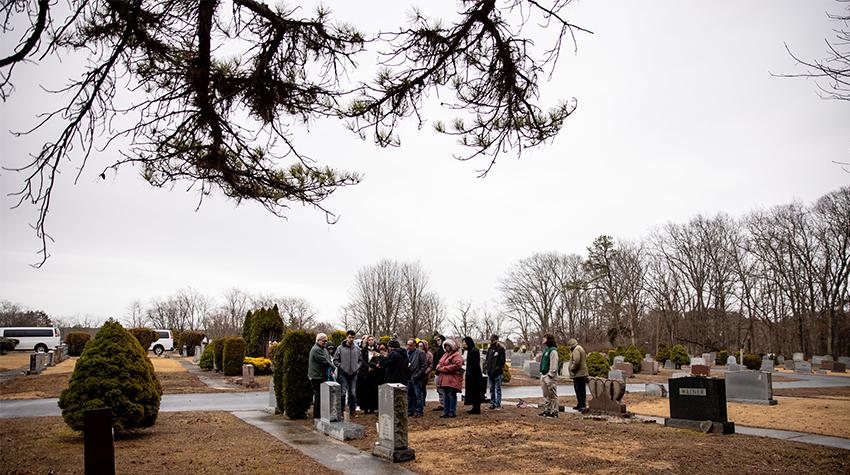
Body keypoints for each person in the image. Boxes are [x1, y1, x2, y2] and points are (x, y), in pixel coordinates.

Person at [333, 330, 361, 417]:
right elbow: (335, 360)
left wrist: (357, 367)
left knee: (352, 393)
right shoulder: (340, 348)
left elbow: (360, 360)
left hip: (354, 373)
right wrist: (341, 366)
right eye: (350, 337)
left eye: (353, 337)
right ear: (346, 337)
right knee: (343, 393)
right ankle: (341, 411)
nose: (351, 339)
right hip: (343, 374)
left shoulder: (356, 349)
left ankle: (353, 411)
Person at [307, 332, 334, 419]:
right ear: (318, 340)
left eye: (326, 341)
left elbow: (328, 359)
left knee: (322, 396)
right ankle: (317, 416)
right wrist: (334, 367)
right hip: (316, 376)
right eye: (323, 341)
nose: (325, 343)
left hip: (322, 375)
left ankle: (321, 414)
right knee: (318, 396)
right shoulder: (316, 349)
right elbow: (324, 361)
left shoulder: (323, 348)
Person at [435, 338, 463, 418]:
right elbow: (439, 363)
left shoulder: (456, 355)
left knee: (451, 395)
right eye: (446, 346)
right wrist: (439, 367)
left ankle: (452, 412)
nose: (447, 347)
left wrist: (443, 368)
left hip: (452, 379)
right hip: (445, 379)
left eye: (448, 346)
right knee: (446, 395)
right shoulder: (445, 354)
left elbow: (457, 365)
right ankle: (446, 412)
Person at [461, 337, 484, 415]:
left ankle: (477, 409)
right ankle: (474, 408)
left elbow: (474, 364)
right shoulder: (470, 350)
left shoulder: (474, 351)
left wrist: (469, 372)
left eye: (464, 342)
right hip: (472, 374)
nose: (463, 344)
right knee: (473, 391)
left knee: (476, 391)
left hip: (475, 375)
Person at [539, 334, 559, 418]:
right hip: (543, 375)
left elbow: (554, 364)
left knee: (552, 395)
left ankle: (554, 411)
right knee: (546, 395)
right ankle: (547, 410)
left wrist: (550, 374)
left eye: (545, 338)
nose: (543, 339)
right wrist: (541, 373)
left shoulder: (553, 351)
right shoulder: (546, 350)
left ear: (549, 339)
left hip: (549, 376)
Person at [405, 339, 427, 417]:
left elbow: (424, 366)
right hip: (409, 376)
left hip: (417, 377)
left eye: (411, 345)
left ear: (415, 345)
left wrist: (417, 375)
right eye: (408, 345)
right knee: (410, 395)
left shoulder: (421, 353)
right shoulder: (406, 353)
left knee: (418, 395)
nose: (409, 347)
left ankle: (419, 411)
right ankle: (410, 411)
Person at [484, 334, 506, 410]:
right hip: (490, 373)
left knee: (498, 389)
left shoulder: (501, 349)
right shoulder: (490, 349)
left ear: (497, 340)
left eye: (493, 340)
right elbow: (487, 360)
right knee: (491, 389)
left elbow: (502, 362)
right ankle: (492, 403)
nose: (492, 341)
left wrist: (497, 369)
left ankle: (498, 404)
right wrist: (486, 367)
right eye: (491, 340)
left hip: (497, 373)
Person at [567, 337, 589, 412]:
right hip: (580, 373)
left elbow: (576, 361)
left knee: (580, 390)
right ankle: (580, 404)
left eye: (569, 346)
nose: (569, 348)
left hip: (579, 374)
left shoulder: (576, 350)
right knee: (580, 390)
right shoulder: (579, 348)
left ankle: (582, 405)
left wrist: (572, 368)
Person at [431, 334, 446, 411]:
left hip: (443, 372)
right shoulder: (437, 350)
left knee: (442, 389)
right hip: (437, 372)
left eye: (439, 340)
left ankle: (444, 404)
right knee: (438, 388)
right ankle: (441, 403)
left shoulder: (444, 351)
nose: (437, 342)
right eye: (436, 340)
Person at [418, 340, 433, 408]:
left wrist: (426, 372)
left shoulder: (429, 354)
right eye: (419, 346)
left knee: (423, 389)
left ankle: (423, 401)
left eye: (421, 346)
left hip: (424, 375)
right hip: (417, 374)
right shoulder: (417, 353)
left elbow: (431, 365)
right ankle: (418, 402)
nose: (420, 347)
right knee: (418, 389)